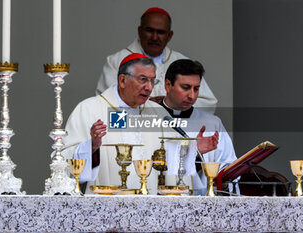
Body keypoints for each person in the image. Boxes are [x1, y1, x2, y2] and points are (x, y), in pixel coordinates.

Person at [61, 54, 218, 194]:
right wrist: (92, 147)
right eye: (143, 79)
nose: (149, 87)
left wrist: (194, 151)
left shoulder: (159, 114)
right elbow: (64, 164)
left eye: (152, 80)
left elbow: (172, 165)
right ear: (123, 80)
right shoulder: (89, 109)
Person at [95, 7, 217, 113]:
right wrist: (150, 106)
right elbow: (107, 101)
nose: (154, 37)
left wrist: (173, 105)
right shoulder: (116, 61)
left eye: (161, 32)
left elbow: (208, 103)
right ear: (139, 31)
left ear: (169, 36)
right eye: (149, 30)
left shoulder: (182, 62)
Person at [161, 59, 238, 195]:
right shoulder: (149, 119)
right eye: (185, 88)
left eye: (196, 88)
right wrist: (195, 151)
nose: (192, 95)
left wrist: (224, 181)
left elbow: (228, 165)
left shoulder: (212, 123)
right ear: (168, 85)